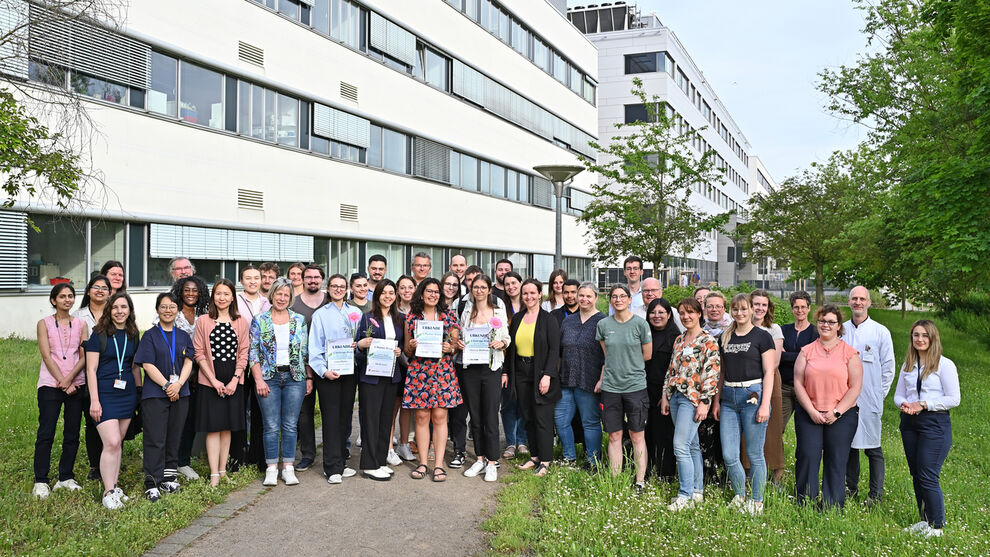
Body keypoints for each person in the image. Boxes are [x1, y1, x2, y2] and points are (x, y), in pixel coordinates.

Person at [894, 320, 960, 538]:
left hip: (935, 423)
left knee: (927, 474)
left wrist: (923, 404)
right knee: (916, 474)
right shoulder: (908, 365)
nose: (919, 339)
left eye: (924, 335)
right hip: (910, 422)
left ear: (933, 338)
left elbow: (954, 399)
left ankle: (937, 526)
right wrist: (905, 405)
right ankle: (925, 521)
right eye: (915, 335)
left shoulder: (945, 365)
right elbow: (899, 394)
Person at [793, 304, 863, 509]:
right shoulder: (806, 351)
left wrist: (837, 412)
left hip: (842, 415)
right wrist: (812, 411)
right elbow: (798, 383)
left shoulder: (849, 353)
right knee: (807, 455)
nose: (826, 325)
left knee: (836, 458)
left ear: (838, 326)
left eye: (831, 322)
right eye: (822, 321)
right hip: (810, 413)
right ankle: (805, 501)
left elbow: (855, 387)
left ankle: (832, 504)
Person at [712, 293, 776, 514]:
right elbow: (721, 373)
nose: (739, 313)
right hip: (729, 397)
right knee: (730, 454)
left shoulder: (762, 336)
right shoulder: (725, 337)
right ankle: (740, 495)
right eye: (735, 309)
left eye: (743, 309)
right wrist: (716, 401)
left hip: (753, 395)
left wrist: (765, 403)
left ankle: (756, 500)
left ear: (751, 309)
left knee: (754, 452)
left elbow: (769, 372)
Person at [661, 297, 720, 511]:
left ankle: (684, 495)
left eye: (690, 312)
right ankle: (697, 491)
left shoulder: (708, 341)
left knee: (680, 446)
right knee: (692, 445)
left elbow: (711, 374)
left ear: (699, 314)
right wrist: (665, 396)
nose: (686, 317)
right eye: (682, 313)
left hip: (693, 400)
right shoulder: (679, 340)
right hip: (676, 396)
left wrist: (705, 403)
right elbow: (671, 370)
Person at [249, 278, 309, 487]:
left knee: (290, 425)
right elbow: (253, 352)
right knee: (271, 426)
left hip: (294, 378)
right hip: (268, 379)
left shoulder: (299, 320)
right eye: (279, 294)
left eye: (286, 295)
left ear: (290, 297)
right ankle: (272, 468)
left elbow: (305, 352)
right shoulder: (260, 320)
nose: (282, 298)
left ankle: (288, 468)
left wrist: (308, 377)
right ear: (272, 295)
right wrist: (258, 380)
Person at [135, 292, 194, 501]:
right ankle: (152, 481)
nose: (167, 310)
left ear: (177, 310)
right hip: (155, 395)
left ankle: (169, 477)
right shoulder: (150, 335)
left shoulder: (183, 336)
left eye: (171, 307)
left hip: (181, 393)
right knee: (155, 438)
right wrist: (168, 385)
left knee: (174, 436)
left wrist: (178, 384)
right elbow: (147, 364)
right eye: (163, 307)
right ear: (157, 309)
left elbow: (189, 361)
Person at [402, 278, 461, 482]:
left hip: (442, 371)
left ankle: (438, 464)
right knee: (421, 417)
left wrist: (450, 348)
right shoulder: (412, 317)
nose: (433, 295)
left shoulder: (449, 315)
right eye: (429, 291)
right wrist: (411, 343)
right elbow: (407, 350)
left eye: (436, 291)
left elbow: (455, 345)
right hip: (419, 371)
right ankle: (423, 462)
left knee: (439, 417)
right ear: (422, 293)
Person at [193, 279, 250, 487]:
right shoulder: (203, 321)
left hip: (234, 379)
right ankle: (213, 474)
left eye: (226, 294)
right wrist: (213, 380)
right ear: (213, 296)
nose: (222, 298)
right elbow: (199, 353)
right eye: (218, 294)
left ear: (232, 297)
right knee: (213, 427)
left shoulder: (241, 321)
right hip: (210, 379)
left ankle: (223, 469)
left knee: (227, 427)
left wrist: (235, 379)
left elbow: (244, 352)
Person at [32, 283, 88, 499]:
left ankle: (65, 477)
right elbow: (46, 355)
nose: (67, 299)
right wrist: (62, 380)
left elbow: (83, 356)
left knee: (72, 433)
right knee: (46, 432)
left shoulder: (81, 324)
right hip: (50, 384)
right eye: (62, 296)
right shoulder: (43, 323)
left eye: (71, 296)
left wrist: (69, 380)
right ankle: (41, 480)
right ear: (53, 300)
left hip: (75, 384)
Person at [85, 292, 140, 509]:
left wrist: (139, 393)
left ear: (129, 310)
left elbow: (135, 366)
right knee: (112, 442)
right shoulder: (98, 334)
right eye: (115, 307)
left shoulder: (133, 334)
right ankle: (108, 492)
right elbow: (90, 369)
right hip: (104, 394)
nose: (119, 311)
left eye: (124, 307)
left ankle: (115, 487)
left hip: (126, 394)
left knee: (119, 442)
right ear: (110, 310)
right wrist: (94, 401)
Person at [596, 284, 652, 491]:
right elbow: (607, 354)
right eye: (614, 296)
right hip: (611, 387)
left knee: (637, 435)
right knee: (614, 435)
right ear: (610, 300)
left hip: (635, 387)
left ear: (630, 300)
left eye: (622, 296)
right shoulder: (603, 325)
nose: (618, 299)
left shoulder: (640, 324)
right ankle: (615, 480)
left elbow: (647, 355)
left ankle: (640, 481)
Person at [455, 274, 510, 482]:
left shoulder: (498, 309)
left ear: (489, 290)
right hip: (470, 368)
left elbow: (506, 336)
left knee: (490, 416)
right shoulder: (467, 309)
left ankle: (492, 462)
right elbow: (460, 335)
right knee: (475, 416)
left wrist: (501, 344)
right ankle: (479, 458)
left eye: (483, 287)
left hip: (491, 368)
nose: (478, 290)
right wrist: (459, 343)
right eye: (475, 286)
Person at [844, 286, 895, 505]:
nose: (858, 302)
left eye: (862, 299)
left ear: (869, 302)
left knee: (873, 448)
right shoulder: (841, 329)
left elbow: (889, 367)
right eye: (854, 298)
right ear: (849, 302)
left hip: (870, 397)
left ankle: (875, 495)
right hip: (845, 398)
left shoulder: (880, 331)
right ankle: (850, 488)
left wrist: (878, 395)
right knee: (849, 445)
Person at [308, 273, 360, 484]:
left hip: (349, 373)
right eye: (334, 286)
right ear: (327, 289)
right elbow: (314, 347)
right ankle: (331, 468)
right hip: (328, 373)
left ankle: (341, 462)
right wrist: (323, 371)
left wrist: (358, 347)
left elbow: (359, 340)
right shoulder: (320, 314)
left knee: (344, 418)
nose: (338, 289)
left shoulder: (355, 312)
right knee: (330, 419)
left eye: (342, 286)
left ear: (347, 289)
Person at [507, 279, 560, 477]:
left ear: (540, 294)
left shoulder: (549, 319)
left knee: (542, 418)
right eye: (525, 293)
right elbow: (511, 348)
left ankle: (545, 461)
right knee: (528, 417)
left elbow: (554, 350)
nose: (529, 297)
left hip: (541, 373)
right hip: (521, 372)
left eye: (532, 293)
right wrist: (507, 372)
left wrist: (547, 375)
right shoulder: (518, 318)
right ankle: (535, 456)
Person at [355, 280, 405, 480]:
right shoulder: (367, 318)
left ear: (395, 296)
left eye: (391, 293)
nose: (387, 296)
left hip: (391, 375)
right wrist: (362, 344)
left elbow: (400, 343)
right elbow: (358, 345)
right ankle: (369, 464)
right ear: (376, 296)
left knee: (386, 420)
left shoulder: (399, 319)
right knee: (371, 419)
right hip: (371, 376)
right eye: (383, 292)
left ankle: (380, 460)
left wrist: (399, 350)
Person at [556, 282, 606, 467]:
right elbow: (560, 351)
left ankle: (593, 461)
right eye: (581, 295)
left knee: (590, 422)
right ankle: (569, 456)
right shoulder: (568, 321)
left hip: (589, 380)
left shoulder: (603, 321)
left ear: (596, 298)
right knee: (561, 420)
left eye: (588, 296)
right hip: (566, 379)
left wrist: (602, 379)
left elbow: (607, 355)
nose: (584, 299)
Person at [170, 275, 210, 481]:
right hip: (175, 376)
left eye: (195, 290)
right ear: (180, 292)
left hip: (199, 378)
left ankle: (183, 462)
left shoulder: (205, 314)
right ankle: (169, 463)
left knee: (191, 420)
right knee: (174, 421)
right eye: (187, 290)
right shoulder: (172, 313)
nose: (191, 294)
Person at [292, 264, 330, 472]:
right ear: (303, 280)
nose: (313, 280)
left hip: (328, 365)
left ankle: (334, 450)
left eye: (317, 277)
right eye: (309, 277)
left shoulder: (330, 301)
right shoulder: (294, 303)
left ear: (322, 280)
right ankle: (307, 454)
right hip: (301, 366)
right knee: (304, 413)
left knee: (329, 410)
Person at [74, 274, 111, 480]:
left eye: (104, 288)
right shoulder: (78, 316)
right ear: (88, 291)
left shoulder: (115, 312)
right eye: (96, 287)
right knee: (92, 420)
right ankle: (95, 466)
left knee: (112, 419)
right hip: (86, 374)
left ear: (109, 292)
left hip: (110, 375)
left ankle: (112, 459)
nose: (100, 291)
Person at [235, 264, 271, 473]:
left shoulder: (268, 302)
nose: (253, 282)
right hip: (240, 361)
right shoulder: (236, 301)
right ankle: (239, 454)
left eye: (256, 278)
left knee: (259, 411)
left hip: (262, 363)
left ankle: (258, 454)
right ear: (242, 281)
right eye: (248, 278)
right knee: (240, 409)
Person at [747, 289, 785, 487]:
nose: (760, 308)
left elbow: (775, 361)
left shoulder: (774, 330)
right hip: (745, 383)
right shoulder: (739, 326)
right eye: (756, 304)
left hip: (769, 380)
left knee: (772, 428)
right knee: (747, 428)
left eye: (764, 305)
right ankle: (748, 473)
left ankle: (775, 475)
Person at [644, 297, 680, 480]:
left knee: (664, 434)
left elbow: (678, 369)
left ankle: (666, 475)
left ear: (668, 315)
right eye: (653, 312)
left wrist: (667, 394)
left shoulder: (676, 337)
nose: (656, 316)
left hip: (665, 393)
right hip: (643, 390)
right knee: (645, 433)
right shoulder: (643, 333)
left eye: (661, 312)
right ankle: (646, 470)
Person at [700, 290, 730, 482]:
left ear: (724, 308)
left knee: (725, 432)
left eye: (718, 306)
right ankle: (708, 474)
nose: (714, 309)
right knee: (705, 431)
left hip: (727, 388)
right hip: (704, 389)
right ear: (704, 308)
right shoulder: (699, 330)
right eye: (710, 305)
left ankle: (726, 473)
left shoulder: (732, 331)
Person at [441, 269, 468, 467]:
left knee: (459, 409)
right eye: (447, 284)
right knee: (438, 410)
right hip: (437, 366)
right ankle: (436, 447)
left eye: (454, 285)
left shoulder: (462, 306)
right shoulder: (432, 304)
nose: (451, 288)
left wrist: (456, 347)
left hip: (459, 364)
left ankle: (459, 449)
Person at [781, 291, 818, 435]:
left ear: (809, 308)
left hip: (806, 388)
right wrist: (802, 354)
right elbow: (778, 358)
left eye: (803, 307)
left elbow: (812, 360)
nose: (800, 310)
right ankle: (777, 458)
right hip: (784, 387)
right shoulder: (784, 330)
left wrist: (786, 355)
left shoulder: (815, 332)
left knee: (805, 431)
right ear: (792, 309)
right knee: (777, 428)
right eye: (796, 307)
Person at [500, 270, 528, 458]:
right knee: (509, 403)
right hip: (505, 361)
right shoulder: (500, 306)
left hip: (526, 361)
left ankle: (522, 441)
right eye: (507, 283)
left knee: (524, 403)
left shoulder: (530, 305)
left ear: (521, 283)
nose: (511, 286)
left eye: (514, 283)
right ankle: (510, 442)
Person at [392, 274, 417, 461]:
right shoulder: (393, 312)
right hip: (396, 366)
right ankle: (389, 446)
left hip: (416, 366)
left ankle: (404, 444)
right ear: (398, 290)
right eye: (403, 287)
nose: (407, 290)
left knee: (407, 407)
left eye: (410, 287)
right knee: (394, 407)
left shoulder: (419, 311)